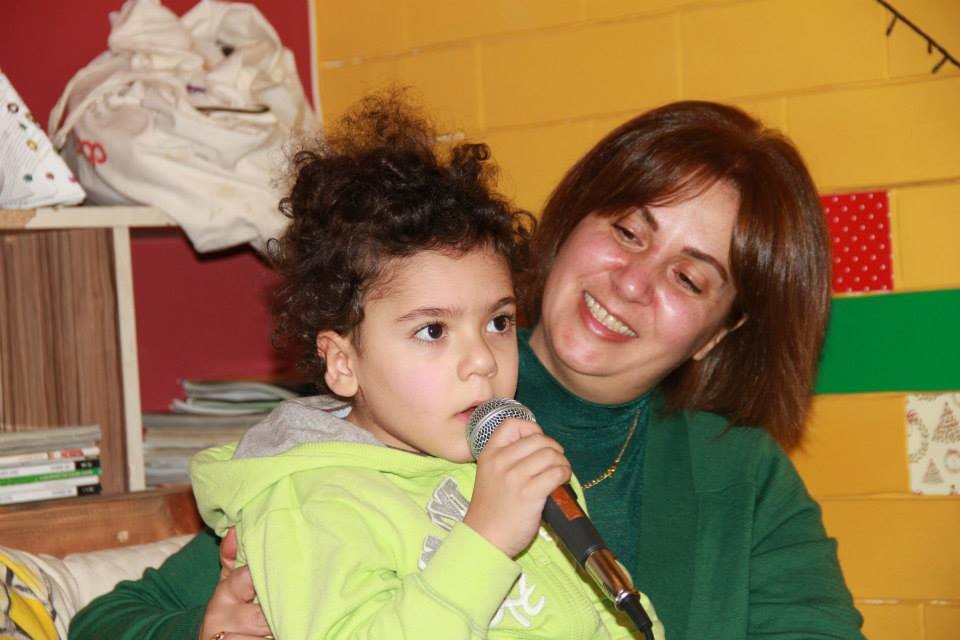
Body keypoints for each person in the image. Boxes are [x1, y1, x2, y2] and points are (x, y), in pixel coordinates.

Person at [68, 100, 864, 640]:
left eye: (688, 278)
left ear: (718, 334)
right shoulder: (391, 433)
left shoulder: (742, 478)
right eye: (627, 232)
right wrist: (216, 627)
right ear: (569, 222)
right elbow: (109, 622)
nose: (632, 282)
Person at [189, 92, 661, 639]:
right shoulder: (309, 502)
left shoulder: (508, 463)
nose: (482, 360)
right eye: (433, 330)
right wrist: (485, 540)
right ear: (342, 363)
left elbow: (608, 618)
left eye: (498, 322)